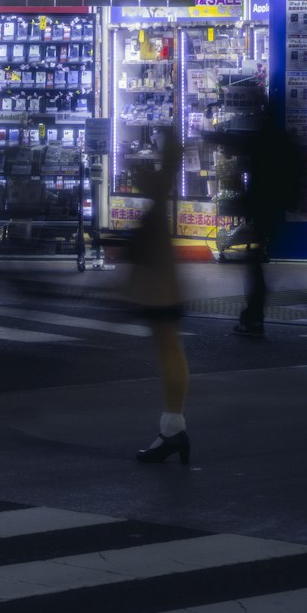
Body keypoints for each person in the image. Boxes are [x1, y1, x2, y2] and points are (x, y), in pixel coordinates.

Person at [213, 93, 303, 338]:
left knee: (255, 267)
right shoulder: (283, 138)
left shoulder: (266, 137)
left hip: (262, 205)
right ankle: (254, 314)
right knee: (257, 264)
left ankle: (253, 317)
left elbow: (243, 145)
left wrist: (214, 135)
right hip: (273, 206)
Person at [127, 128, 191, 465]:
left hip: (160, 295)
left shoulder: (155, 211)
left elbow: (139, 258)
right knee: (170, 351)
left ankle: (172, 429)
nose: (138, 177)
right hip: (163, 292)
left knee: (168, 352)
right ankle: (172, 427)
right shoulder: (156, 210)